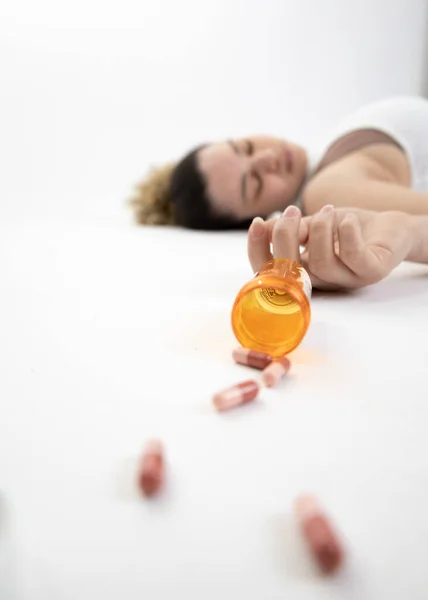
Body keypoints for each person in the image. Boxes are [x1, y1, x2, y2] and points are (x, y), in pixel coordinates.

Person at [128, 95, 428, 290]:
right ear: (257, 219)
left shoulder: (324, 159)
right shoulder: (324, 191)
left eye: (246, 147)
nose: (265, 159)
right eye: (255, 183)